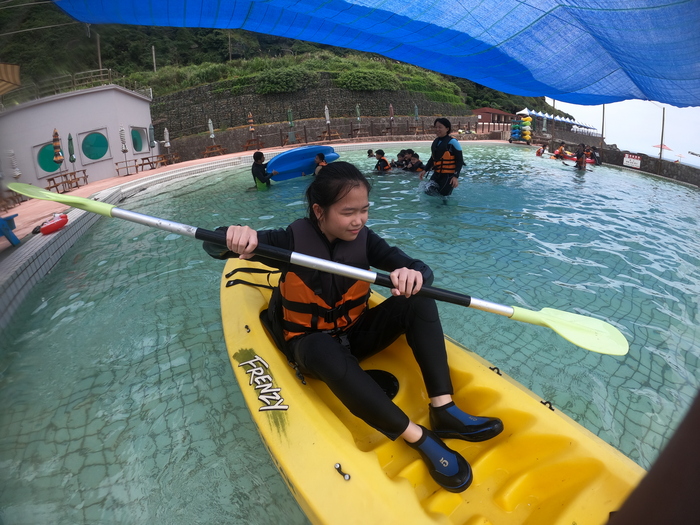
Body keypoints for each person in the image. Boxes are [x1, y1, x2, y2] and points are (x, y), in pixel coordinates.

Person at [208, 162, 503, 493]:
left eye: (364, 210)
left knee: (419, 298)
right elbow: (215, 245)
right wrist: (233, 235)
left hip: (356, 333)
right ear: (320, 211)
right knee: (321, 347)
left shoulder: (365, 239)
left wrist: (414, 275)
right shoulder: (288, 241)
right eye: (348, 212)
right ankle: (417, 436)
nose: (359, 220)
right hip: (312, 348)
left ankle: (443, 408)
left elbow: (420, 269)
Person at [421, 118, 464, 196]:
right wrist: (425, 170)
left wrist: (455, 177)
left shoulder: (453, 142)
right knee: (428, 191)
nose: (437, 129)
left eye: (440, 127)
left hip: (448, 177)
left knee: (442, 196)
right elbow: (433, 158)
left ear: (447, 129)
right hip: (437, 174)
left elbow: (460, 161)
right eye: (436, 127)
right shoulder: (436, 141)